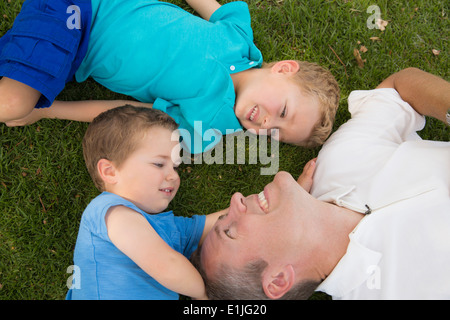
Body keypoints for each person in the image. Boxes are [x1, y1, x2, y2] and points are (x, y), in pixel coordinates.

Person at [191, 68, 450, 300]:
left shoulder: (336, 161)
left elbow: (396, 88)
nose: (236, 199)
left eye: (224, 216)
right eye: (230, 231)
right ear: (278, 279)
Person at [0, 0, 340, 154]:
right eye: (282, 111)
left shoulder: (206, 128)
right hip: (90, 5)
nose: (266, 123)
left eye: (274, 134)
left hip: (73, 47)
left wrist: (48, 110)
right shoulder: (238, 37)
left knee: (14, 103)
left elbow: (126, 112)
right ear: (284, 69)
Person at [66, 105, 225, 300]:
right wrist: (203, 294)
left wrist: (262, 204)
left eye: (176, 167)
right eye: (159, 164)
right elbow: (167, 264)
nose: (174, 176)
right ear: (110, 171)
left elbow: (219, 223)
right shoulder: (108, 212)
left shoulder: (169, 228)